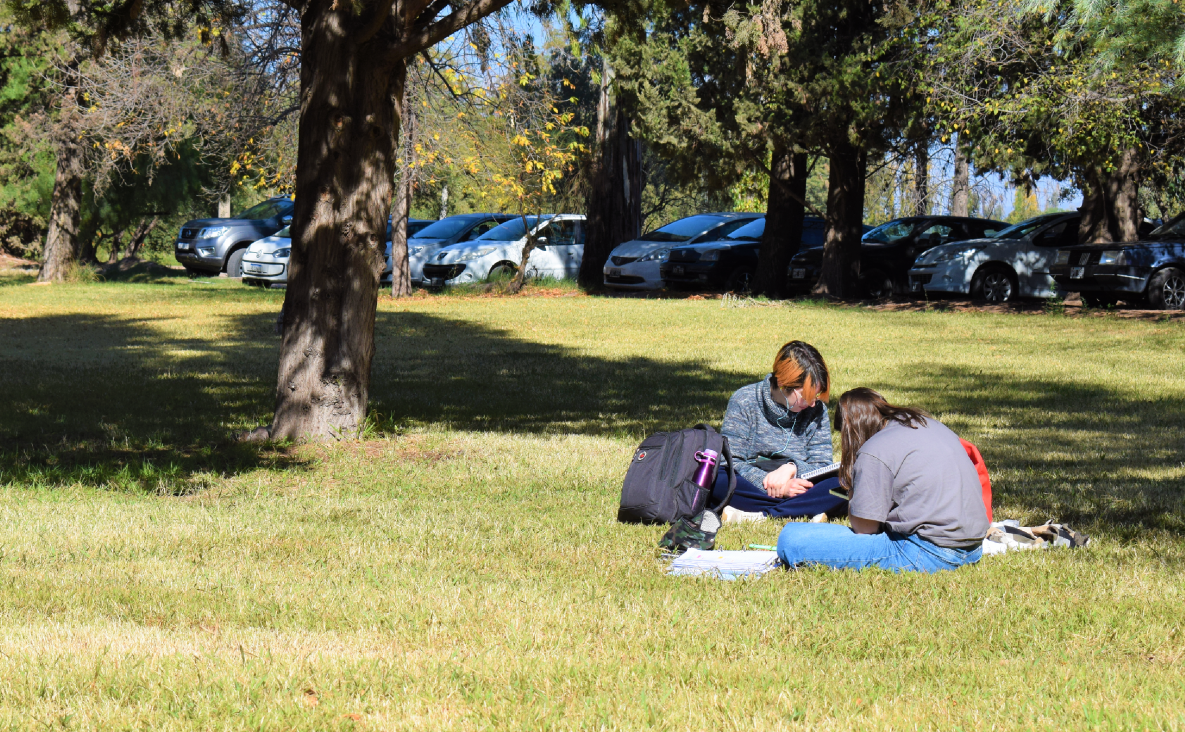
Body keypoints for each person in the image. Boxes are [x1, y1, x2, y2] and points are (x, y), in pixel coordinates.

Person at [776, 387, 989, 573]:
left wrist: (854, 493)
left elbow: (865, 529)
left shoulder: (874, 450)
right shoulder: (930, 425)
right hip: (973, 548)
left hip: (929, 552)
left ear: (850, 432)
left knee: (792, 539)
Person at [710, 340, 848, 520]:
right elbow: (730, 461)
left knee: (843, 483)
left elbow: (822, 464)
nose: (813, 403)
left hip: (801, 483)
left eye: (816, 396)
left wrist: (792, 469)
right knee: (719, 481)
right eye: (806, 397)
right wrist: (777, 488)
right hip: (753, 481)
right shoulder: (744, 400)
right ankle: (806, 508)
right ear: (783, 383)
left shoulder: (816, 410)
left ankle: (758, 515)